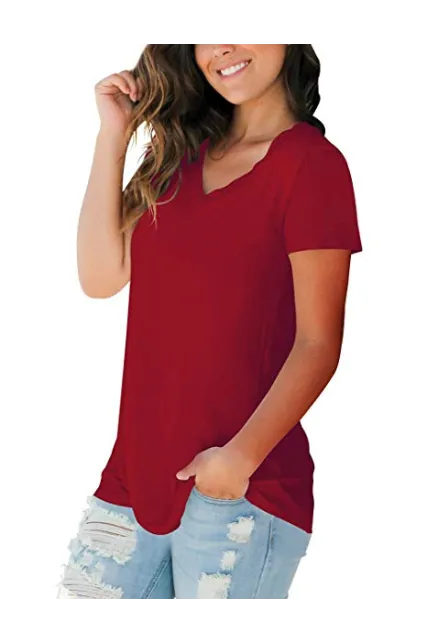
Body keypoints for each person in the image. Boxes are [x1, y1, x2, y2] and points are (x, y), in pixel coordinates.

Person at [56, 41, 363, 600]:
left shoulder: (312, 164)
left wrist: (237, 461)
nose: (222, 46)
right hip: (131, 481)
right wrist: (114, 135)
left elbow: (319, 342)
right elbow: (99, 277)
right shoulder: (177, 158)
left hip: (243, 489)